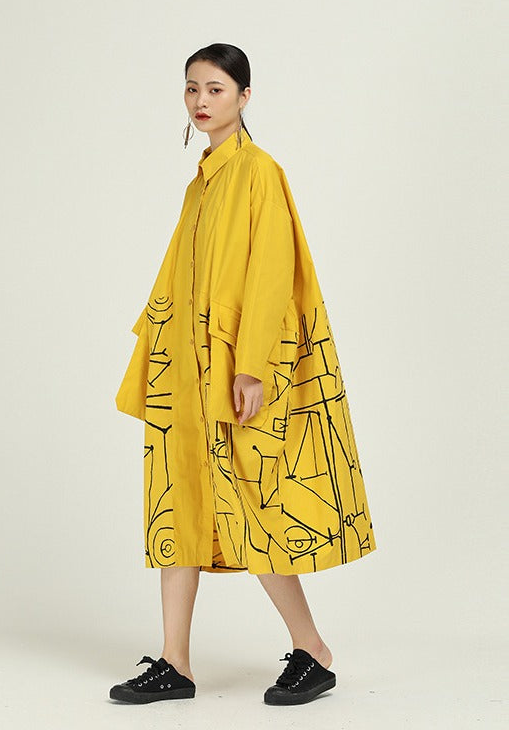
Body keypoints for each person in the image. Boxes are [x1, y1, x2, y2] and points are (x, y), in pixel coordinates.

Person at [110, 43, 377, 706]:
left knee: (253, 506)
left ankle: (313, 650)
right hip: (186, 374)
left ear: (244, 96)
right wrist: (158, 356)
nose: (201, 101)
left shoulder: (259, 172)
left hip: (233, 373)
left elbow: (271, 273)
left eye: (216, 89)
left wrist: (253, 366)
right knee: (178, 505)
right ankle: (174, 661)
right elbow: (180, 278)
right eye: (192, 88)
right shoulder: (201, 182)